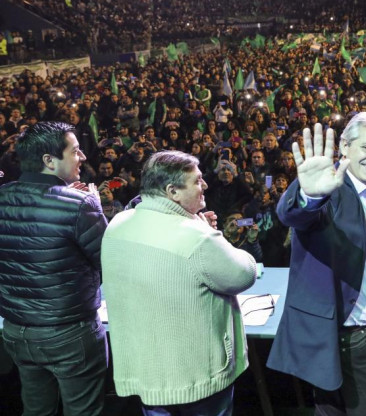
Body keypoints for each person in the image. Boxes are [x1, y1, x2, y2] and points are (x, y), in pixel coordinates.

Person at [100, 151, 258, 415]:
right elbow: (244, 273)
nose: (205, 185)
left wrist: (193, 223)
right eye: (197, 181)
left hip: (147, 372)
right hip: (195, 379)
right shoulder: (197, 237)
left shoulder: (118, 223)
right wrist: (206, 231)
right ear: (172, 191)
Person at [267, 113, 366, 416]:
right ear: (345, 146)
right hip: (348, 340)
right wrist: (309, 194)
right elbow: (292, 215)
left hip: (345, 337)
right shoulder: (331, 189)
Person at [0, 121, 109, 415]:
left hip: (15, 332)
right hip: (69, 335)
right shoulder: (79, 204)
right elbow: (108, 263)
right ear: (49, 161)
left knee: (36, 410)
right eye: (75, 151)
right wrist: (95, 209)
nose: (82, 157)